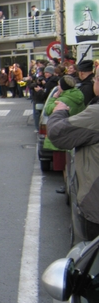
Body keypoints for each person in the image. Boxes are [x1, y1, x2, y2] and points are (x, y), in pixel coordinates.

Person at [47, 76, 99, 241]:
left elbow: (56, 132)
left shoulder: (95, 114)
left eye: (96, 78)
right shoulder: (81, 96)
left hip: (95, 205)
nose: (93, 82)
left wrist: (59, 110)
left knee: (86, 257)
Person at [42, 75, 85, 194]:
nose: (58, 87)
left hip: (63, 132)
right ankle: (69, 185)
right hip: (73, 132)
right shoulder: (77, 95)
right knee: (71, 162)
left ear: (63, 87)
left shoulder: (63, 99)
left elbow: (48, 110)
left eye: (59, 85)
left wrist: (53, 97)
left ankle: (67, 186)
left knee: (65, 164)